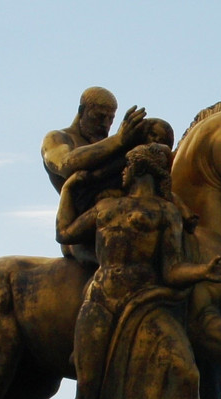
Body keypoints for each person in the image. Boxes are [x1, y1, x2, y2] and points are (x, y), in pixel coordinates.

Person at [53, 144, 221, 399]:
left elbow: (170, 271)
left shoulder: (165, 213)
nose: (122, 172)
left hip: (146, 302)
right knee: (89, 385)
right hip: (101, 301)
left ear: (139, 169)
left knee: (185, 372)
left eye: (127, 166)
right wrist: (67, 190)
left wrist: (204, 271)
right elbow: (64, 234)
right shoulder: (105, 207)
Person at [42, 87, 149, 267]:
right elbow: (66, 164)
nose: (105, 124)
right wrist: (118, 140)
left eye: (110, 119)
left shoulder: (109, 146)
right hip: (80, 232)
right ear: (82, 111)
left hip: (119, 219)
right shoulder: (58, 138)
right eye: (99, 117)